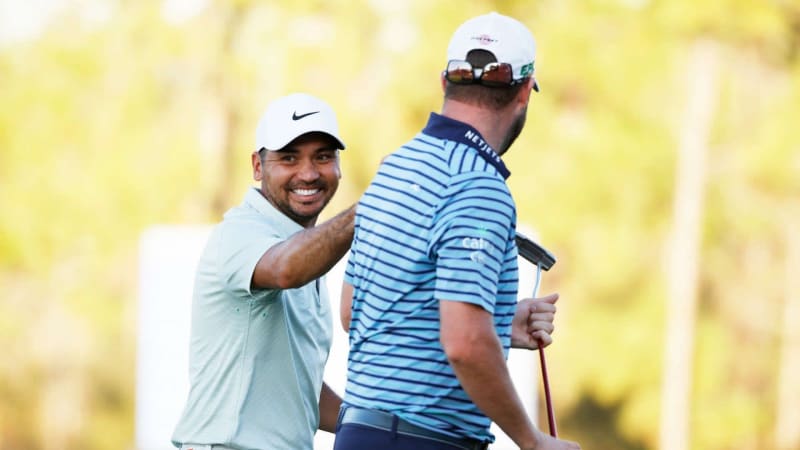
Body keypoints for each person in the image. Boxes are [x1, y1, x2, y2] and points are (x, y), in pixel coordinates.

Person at [334, 12, 581, 450]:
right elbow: (464, 343)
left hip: (360, 434)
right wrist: (534, 441)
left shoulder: (395, 166)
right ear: (524, 92)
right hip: (424, 442)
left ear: (444, 82)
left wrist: (498, 325)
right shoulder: (480, 186)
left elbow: (355, 312)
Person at [171, 93, 354, 450]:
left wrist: (380, 426)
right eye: (289, 158)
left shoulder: (304, 246)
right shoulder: (242, 232)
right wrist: (377, 203)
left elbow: (301, 393)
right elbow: (285, 269)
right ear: (258, 166)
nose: (309, 173)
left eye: (323, 156)